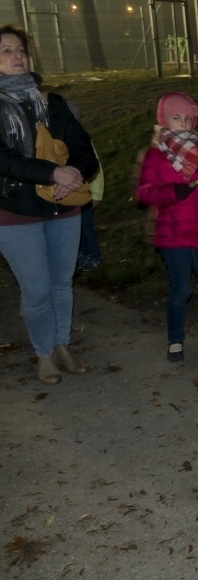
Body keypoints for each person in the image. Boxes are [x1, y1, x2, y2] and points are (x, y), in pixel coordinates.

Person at [0, 24, 99, 385]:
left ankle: (63, 345)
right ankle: (43, 352)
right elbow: (5, 159)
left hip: (63, 206)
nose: (17, 55)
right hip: (14, 212)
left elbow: (83, 146)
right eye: (6, 50)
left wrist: (74, 171)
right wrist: (51, 173)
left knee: (62, 283)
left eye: (20, 49)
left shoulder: (53, 102)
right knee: (37, 288)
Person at [137, 91, 198, 363]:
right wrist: (171, 192)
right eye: (176, 118)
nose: (183, 123)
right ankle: (175, 338)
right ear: (164, 121)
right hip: (175, 235)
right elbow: (145, 193)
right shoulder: (156, 156)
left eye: (188, 119)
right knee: (181, 290)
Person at [64, 101, 104, 272]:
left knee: (86, 228)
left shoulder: (82, 142)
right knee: (72, 230)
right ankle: (79, 256)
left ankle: (92, 256)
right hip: (66, 196)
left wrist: (96, 194)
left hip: (84, 195)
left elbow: (96, 169)